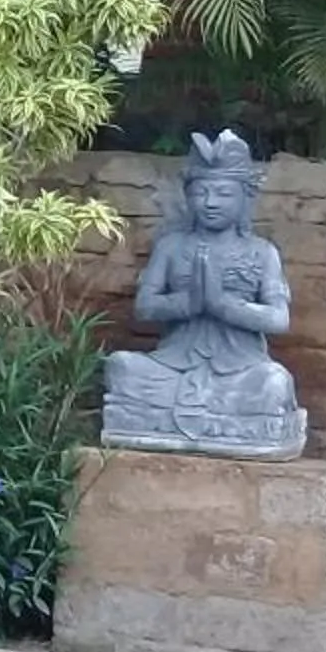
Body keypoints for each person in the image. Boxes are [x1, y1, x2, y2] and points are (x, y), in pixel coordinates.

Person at [102, 130, 305, 459]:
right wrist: (190, 303)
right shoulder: (172, 247)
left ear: (244, 200)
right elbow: (145, 308)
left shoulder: (261, 252)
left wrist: (221, 305)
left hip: (240, 370)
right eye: (201, 192)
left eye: (224, 193)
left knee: (274, 383)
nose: (210, 203)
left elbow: (278, 319)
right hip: (172, 365)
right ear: (188, 196)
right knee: (121, 367)